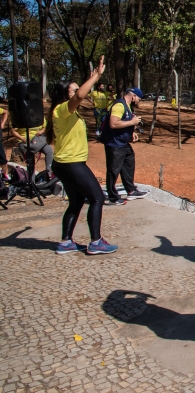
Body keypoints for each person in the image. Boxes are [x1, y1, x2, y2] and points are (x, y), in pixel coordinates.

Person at [46, 56, 117, 255]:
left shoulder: (68, 112)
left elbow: (78, 97)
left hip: (65, 164)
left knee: (76, 202)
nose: (79, 93)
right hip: (71, 164)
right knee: (97, 198)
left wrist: (95, 76)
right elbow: (78, 97)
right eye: (74, 90)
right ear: (65, 94)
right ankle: (96, 242)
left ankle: (66, 242)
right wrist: (95, 77)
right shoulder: (63, 109)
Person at [101, 88, 149, 205]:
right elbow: (113, 123)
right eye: (139, 99)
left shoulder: (128, 107)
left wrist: (131, 132)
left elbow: (124, 121)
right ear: (133, 96)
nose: (139, 101)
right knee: (113, 170)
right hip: (114, 143)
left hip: (123, 143)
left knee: (128, 162)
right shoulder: (119, 106)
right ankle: (113, 197)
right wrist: (132, 123)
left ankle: (131, 190)